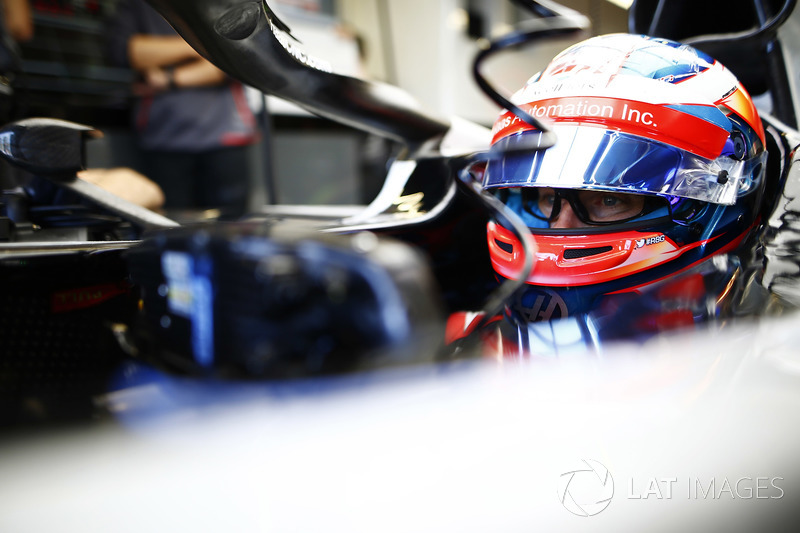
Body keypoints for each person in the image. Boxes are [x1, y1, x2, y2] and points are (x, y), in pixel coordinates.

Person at [449, 33, 771, 351]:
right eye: (548, 198)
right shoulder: (468, 347)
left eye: (609, 199)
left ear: (703, 203)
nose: (561, 228)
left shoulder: (772, 346)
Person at [105, 0, 260, 218]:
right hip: (164, 136)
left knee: (231, 233)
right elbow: (129, 51)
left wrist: (169, 77)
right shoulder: (139, 4)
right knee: (170, 232)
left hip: (225, 136)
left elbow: (236, 57)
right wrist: (202, 46)